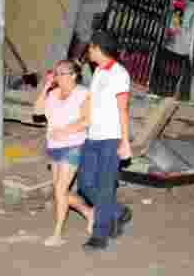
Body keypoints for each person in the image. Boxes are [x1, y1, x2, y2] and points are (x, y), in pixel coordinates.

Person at [77, 30, 133, 251]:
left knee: (105, 186)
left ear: (98, 48)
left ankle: (100, 235)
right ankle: (118, 212)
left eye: (90, 47)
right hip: (93, 137)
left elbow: (123, 110)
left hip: (111, 138)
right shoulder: (99, 71)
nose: (88, 51)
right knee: (85, 185)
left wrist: (125, 141)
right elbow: (93, 103)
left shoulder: (120, 74)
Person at [32, 59, 94, 247]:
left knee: (60, 190)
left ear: (73, 75)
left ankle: (57, 234)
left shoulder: (83, 94)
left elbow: (88, 120)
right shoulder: (53, 93)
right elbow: (37, 111)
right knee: (61, 191)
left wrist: (65, 130)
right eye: (55, 73)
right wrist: (45, 88)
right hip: (54, 147)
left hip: (73, 145)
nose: (56, 76)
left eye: (61, 73)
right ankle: (89, 212)